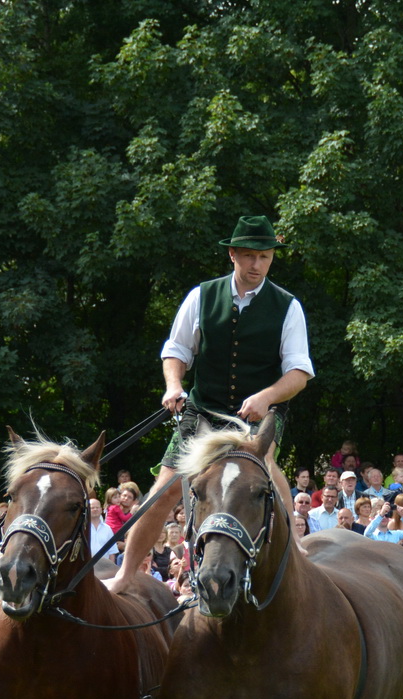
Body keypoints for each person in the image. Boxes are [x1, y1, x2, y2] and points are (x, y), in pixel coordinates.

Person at [116, 215, 313, 586]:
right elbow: (176, 350)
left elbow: (299, 374)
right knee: (163, 491)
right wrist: (173, 384)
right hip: (202, 409)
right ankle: (126, 574)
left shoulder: (288, 307)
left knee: (264, 465)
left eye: (266, 257)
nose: (257, 265)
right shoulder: (202, 296)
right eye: (250, 256)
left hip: (259, 413)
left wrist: (267, 396)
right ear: (233, 255)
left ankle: (298, 556)